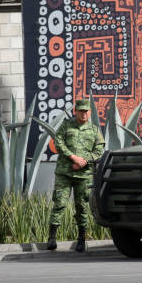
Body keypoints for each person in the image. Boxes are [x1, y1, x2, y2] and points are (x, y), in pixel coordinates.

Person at [47, 99, 105, 252]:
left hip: (83, 176)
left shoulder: (94, 130)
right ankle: (52, 238)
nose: (84, 113)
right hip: (64, 173)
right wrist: (73, 157)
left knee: (82, 207)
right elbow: (58, 143)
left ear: (89, 112)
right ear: (76, 111)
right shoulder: (66, 125)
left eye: (86, 111)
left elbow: (99, 151)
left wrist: (83, 161)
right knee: (59, 204)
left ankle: (81, 239)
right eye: (81, 111)